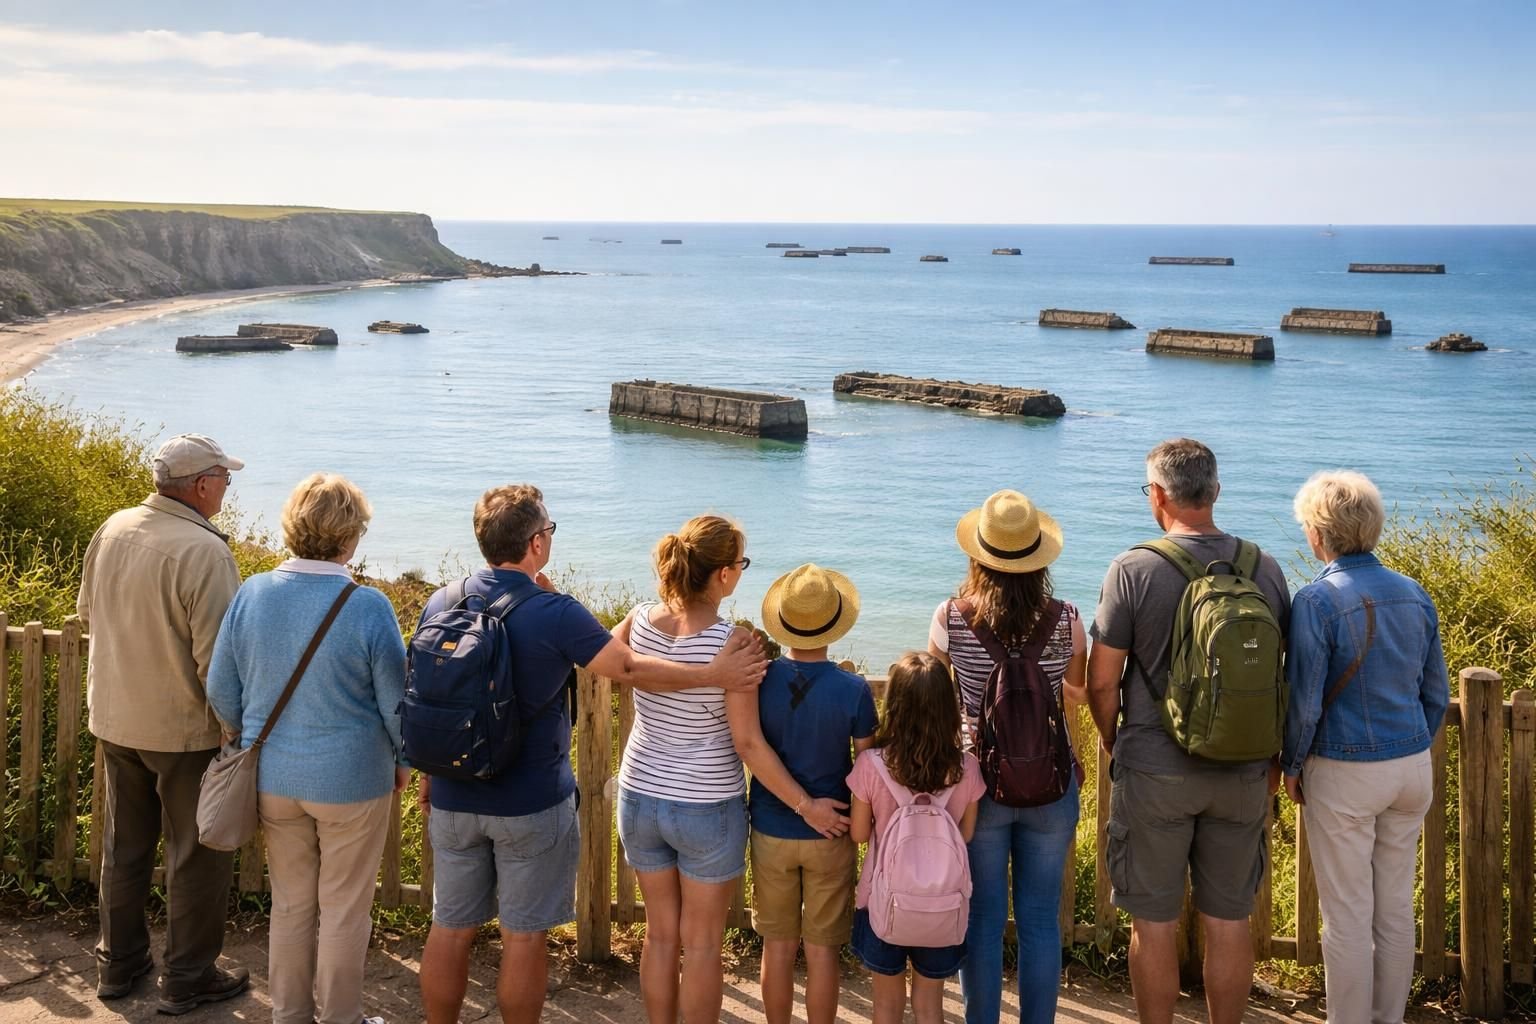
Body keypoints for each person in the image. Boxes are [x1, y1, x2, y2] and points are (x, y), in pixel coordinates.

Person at [417, 488, 766, 1024]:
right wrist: (711, 675)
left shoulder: (442, 600)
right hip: (530, 801)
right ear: (536, 543)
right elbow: (622, 668)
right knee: (524, 939)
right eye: (550, 531)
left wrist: (427, 778)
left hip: (453, 792)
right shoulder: (555, 613)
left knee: (450, 927)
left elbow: (429, 695)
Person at [1085, 438, 1290, 1024]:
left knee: (1154, 924)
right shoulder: (1263, 566)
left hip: (1155, 769)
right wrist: (1277, 758)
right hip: (1244, 770)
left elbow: (1103, 681)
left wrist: (1112, 738)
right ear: (1215, 492)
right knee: (1229, 923)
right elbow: (1288, 675)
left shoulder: (1134, 568)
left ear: (1157, 495)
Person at [206, 473, 406, 1024]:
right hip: (352, 781)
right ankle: (340, 1018)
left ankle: (288, 1016)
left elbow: (222, 687)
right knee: (344, 909)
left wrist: (243, 736)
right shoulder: (368, 606)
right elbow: (396, 703)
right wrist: (405, 762)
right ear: (350, 536)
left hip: (273, 775)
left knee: (291, 905)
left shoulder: (253, 593)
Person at [76, 433, 251, 1014]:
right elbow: (218, 662)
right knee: (196, 855)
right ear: (202, 485)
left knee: (123, 847)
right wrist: (234, 732)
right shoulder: (205, 552)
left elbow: (85, 615)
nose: (228, 486)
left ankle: (118, 963)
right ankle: (188, 975)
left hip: (115, 717)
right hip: (181, 730)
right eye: (225, 477)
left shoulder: (114, 527)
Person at [1282, 470, 1448, 1024]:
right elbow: (1436, 693)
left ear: (1318, 534)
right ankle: (1388, 1019)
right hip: (1411, 766)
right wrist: (1411, 744)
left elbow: (1306, 700)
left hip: (1346, 768)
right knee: (1395, 906)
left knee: (1348, 913)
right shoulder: (1414, 592)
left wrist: (1293, 763)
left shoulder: (1317, 600)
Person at [930, 489, 1086, 1024]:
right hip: (1051, 784)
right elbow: (1078, 691)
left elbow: (938, 702)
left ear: (978, 555)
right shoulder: (1067, 619)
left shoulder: (951, 618)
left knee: (983, 920)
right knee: (1041, 919)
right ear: (1040, 558)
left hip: (979, 787)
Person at [613, 514, 764, 1024]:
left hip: (639, 795)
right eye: (740, 563)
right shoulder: (734, 642)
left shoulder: (638, 620)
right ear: (722, 574)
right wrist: (805, 801)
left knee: (659, 936)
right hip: (706, 803)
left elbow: (600, 658)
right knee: (700, 947)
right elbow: (746, 741)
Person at [734, 563, 878, 1024]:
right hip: (832, 831)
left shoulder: (760, 678)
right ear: (835, 623)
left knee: (776, 949)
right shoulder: (854, 690)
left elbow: (750, 744)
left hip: (772, 829)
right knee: (822, 954)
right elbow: (866, 769)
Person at [848, 652, 984, 1024]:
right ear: (948, 708)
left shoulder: (871, 765)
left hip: (883, 901)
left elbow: (859, 834)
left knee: (886, 1007)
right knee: (929, 1006)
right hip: (943, 903)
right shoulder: (967, 767)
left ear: (894, 706)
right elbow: (967, 833)